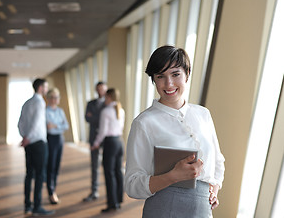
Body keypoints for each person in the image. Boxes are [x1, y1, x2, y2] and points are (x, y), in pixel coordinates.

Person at [124, 45, 225, 218]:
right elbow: (132, 184)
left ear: (187, 73)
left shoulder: (203, 114)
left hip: (202, 209)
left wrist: (214, 188)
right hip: (163, 208)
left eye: (175, 74)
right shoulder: (144, 123)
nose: (168, 83)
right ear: (154, 80)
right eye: (160, 76)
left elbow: (217, 161)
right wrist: (172, 176)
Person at [18, 78, 55, 216]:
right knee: (40, 175)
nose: (47, 89)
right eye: (45, 87)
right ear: (40, 88)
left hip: (29, 144)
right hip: (38, 143)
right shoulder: (40, 102)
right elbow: (36, 122)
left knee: (29, 174)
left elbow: (20, 123)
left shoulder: (27, 103)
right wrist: (28, 137)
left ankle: (28, 205)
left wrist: (24, 137)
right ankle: (37, 207)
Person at [91, 88, 125, 213]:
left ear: (109, 97)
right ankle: (119, 200)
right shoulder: (121, 110)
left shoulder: (106, 111)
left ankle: (112, 203)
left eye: (106, 97)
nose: (104, 99)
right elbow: (120, 127)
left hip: (110, 144)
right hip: (119, 142)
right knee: (118, 172)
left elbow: (103, 131)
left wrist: (95, 144)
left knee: (109, 174)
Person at [83, 81, 108, 202]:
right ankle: (94, 191)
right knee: (94, 166)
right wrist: (101, 118)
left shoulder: (109, 104)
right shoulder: (90, 103)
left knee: (108, 166)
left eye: (102, 89)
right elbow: (87, 118)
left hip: (106, 139)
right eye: (98, 89)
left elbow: (93, 118)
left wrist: (94, 117)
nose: (100, 91)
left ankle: (110, 193)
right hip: (94, 138)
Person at [46, 88, 69, 205]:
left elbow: (66, 126)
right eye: (53, 97)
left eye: (57, 97)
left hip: (60, 139)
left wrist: (55, 125)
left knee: (57, 166)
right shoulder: (45, 111)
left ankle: (53, 189)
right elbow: (48, 129)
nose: (55, 100)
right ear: (49, 99)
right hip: (51, 140)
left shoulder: (60, 111)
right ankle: (51, 192)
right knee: (51, 165)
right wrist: (58, 125)